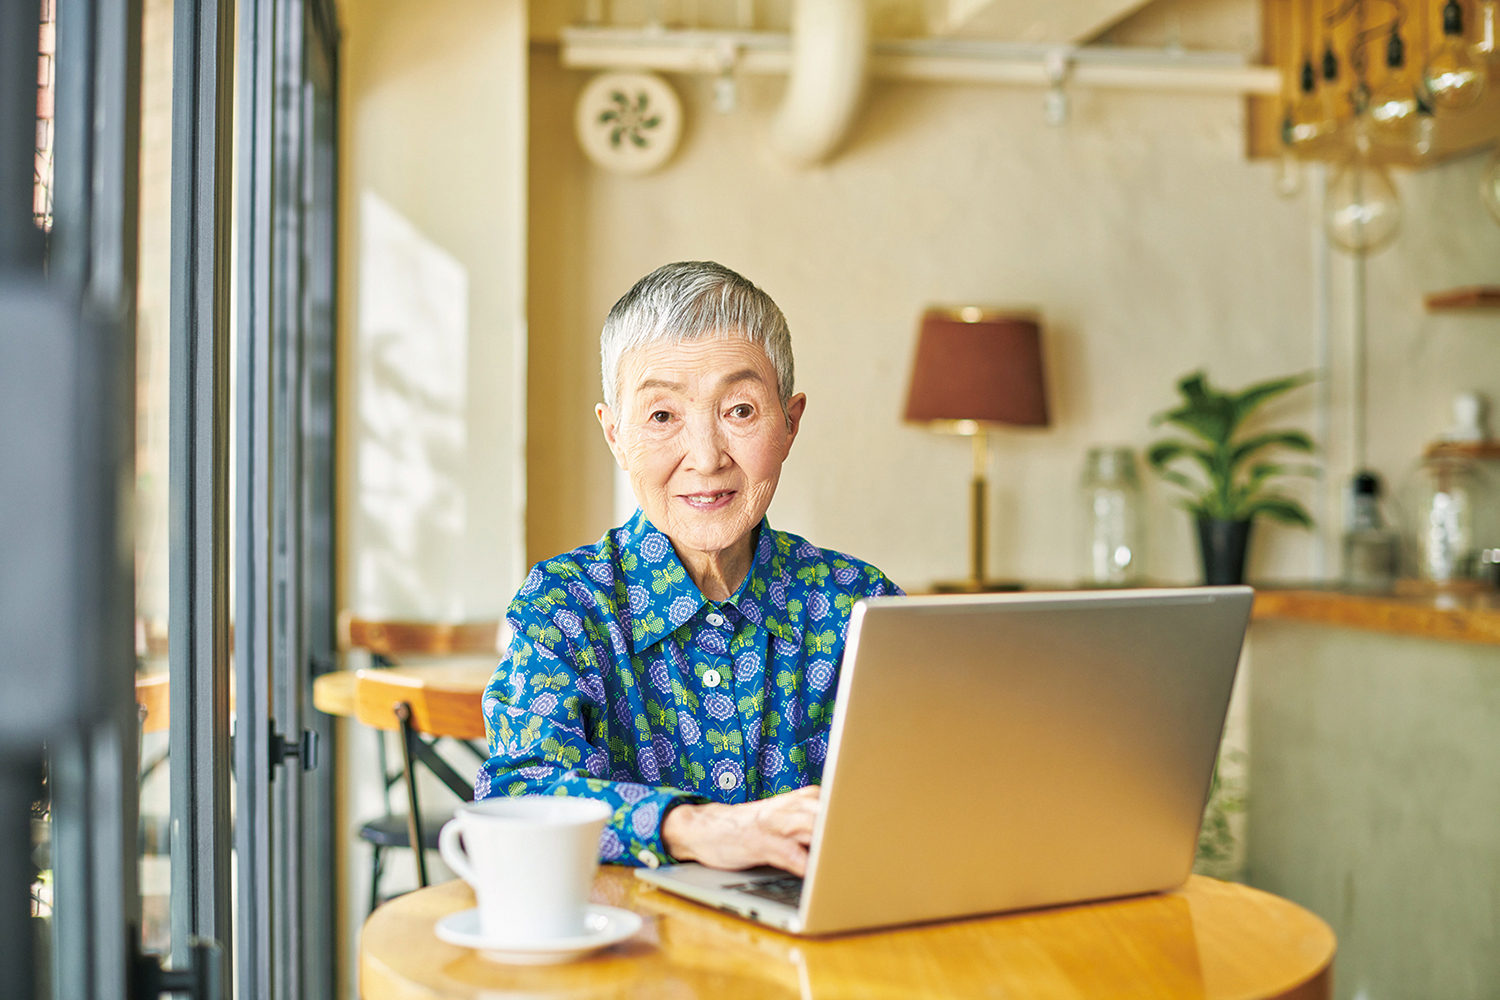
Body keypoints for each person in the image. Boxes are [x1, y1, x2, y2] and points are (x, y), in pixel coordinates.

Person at [477, 261, 901, 876]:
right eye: (662, 416)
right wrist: (694, 827)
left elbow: (927, 790)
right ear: (616, 435)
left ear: (790, 422)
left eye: (741, 411)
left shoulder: (862, 604)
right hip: (628, 951)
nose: (705, 458)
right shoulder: (564, 605)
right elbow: (516, 797)